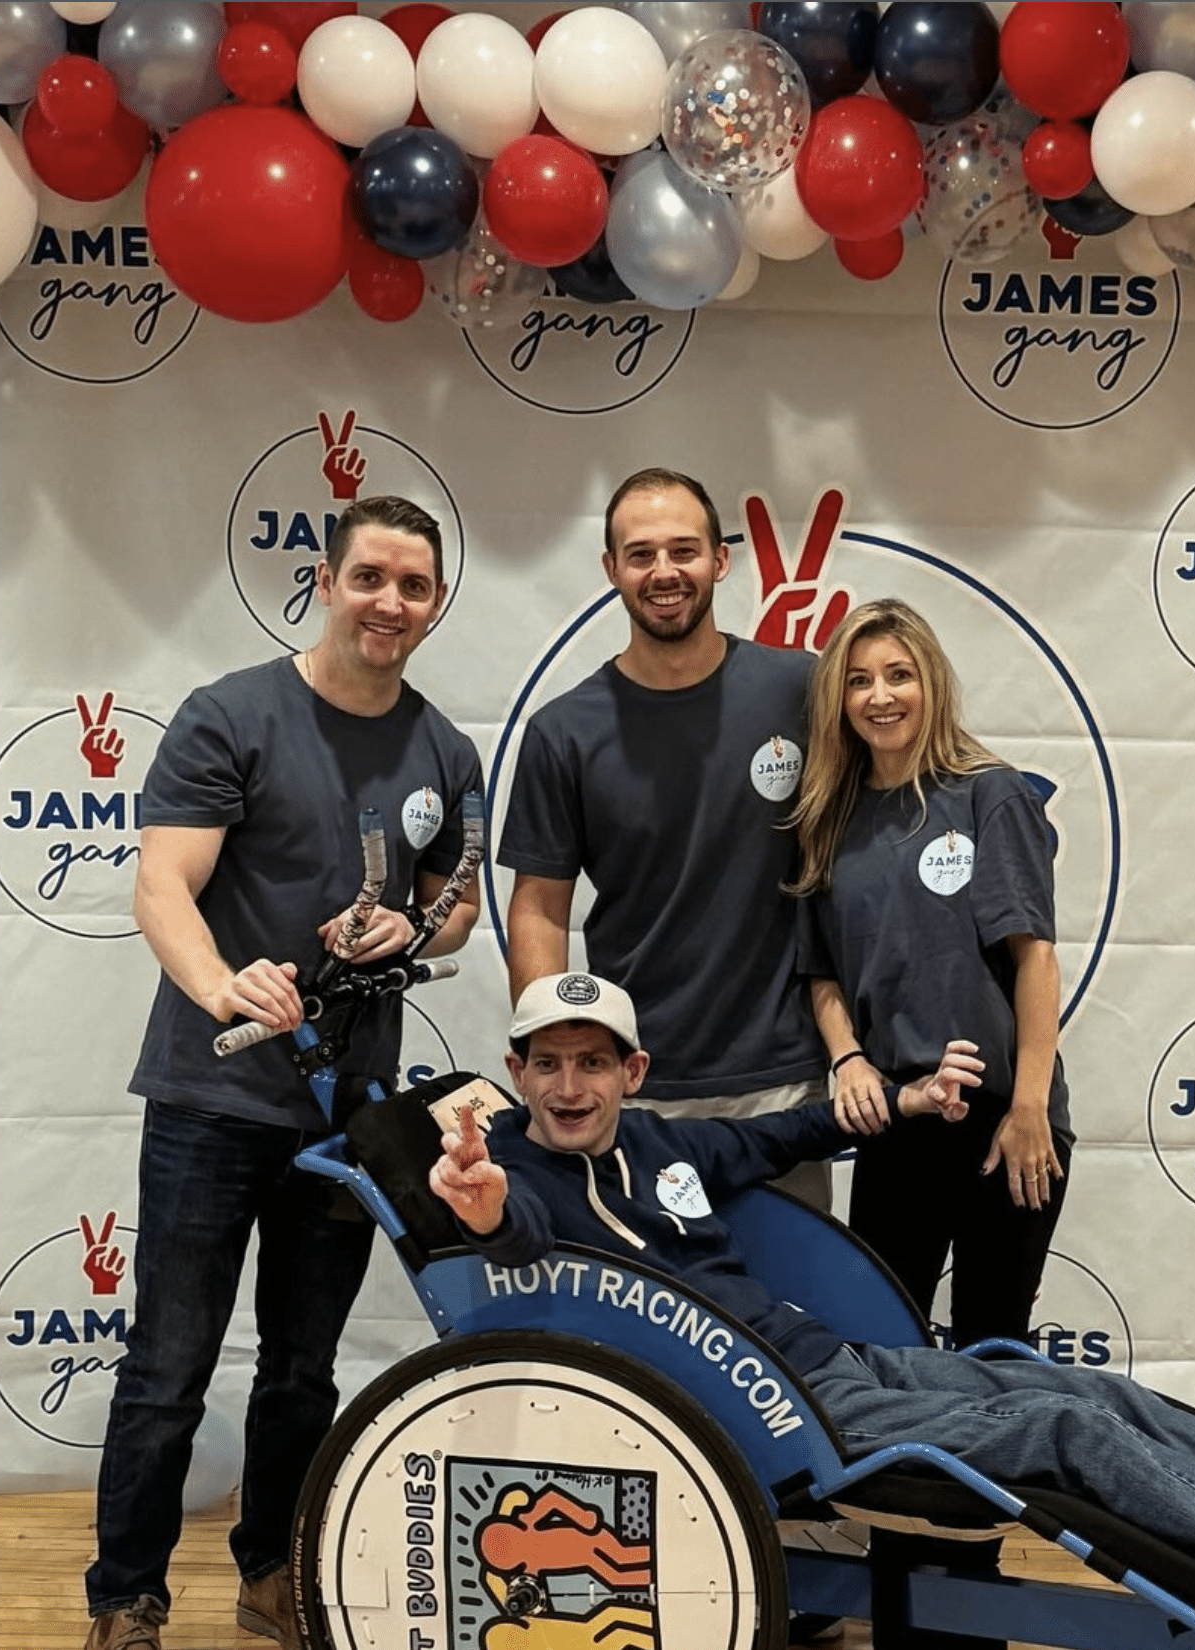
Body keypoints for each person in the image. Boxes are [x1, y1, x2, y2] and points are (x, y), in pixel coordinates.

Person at [428, 974, 1195, 1640]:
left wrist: (914, 1099)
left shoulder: (663, 1142)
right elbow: (516, 1242)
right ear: (516, 1073)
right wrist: (482, 1209)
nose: (570, 1086)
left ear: (631, 1070)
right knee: (1050, 1427)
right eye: (548, 1064)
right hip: (775, 1413)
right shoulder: (515, 1171)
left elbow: (787, 1133)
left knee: (1067, 1383)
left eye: (592, 1062)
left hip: (827, 1360)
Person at [83, 496, 484, 1650]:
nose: (390, 603)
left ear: (434, 603)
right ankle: (126, 1596)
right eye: (370, 578)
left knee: (302, 1371)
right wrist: (224, 988)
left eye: (412, 586)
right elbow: (163, 886)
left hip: (343, 1114)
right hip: (213, 1102)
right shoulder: (232, 715)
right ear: (324, 578)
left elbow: (453, 913)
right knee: (168, 1367)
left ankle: (271, 1571)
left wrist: (412, 929)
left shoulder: (444, 749)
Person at [498, 466, 829, 1206]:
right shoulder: (565, 731)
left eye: (684, 550)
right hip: (637, 1090)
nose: (664, 572)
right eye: (641, 554)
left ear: (721, 558)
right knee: (645, 1319)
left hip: (783, 1084)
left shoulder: (804, 690)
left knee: (789, 1315)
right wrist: (560, 1062)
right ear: (611, 569)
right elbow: (540, 908)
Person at [787, 597, 1074, 1348]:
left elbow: (1034, 955)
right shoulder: (828, 816)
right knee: (881, 1345)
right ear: (838, 700)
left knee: (993, 1345)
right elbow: (820, 972)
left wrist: (1030, 1110)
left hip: (1005, 1118)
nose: (879, 697)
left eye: (898, 675)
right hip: (901, 1117)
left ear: (932, 685)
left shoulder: (989, 794)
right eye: (858, 681)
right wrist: (847, 1059)